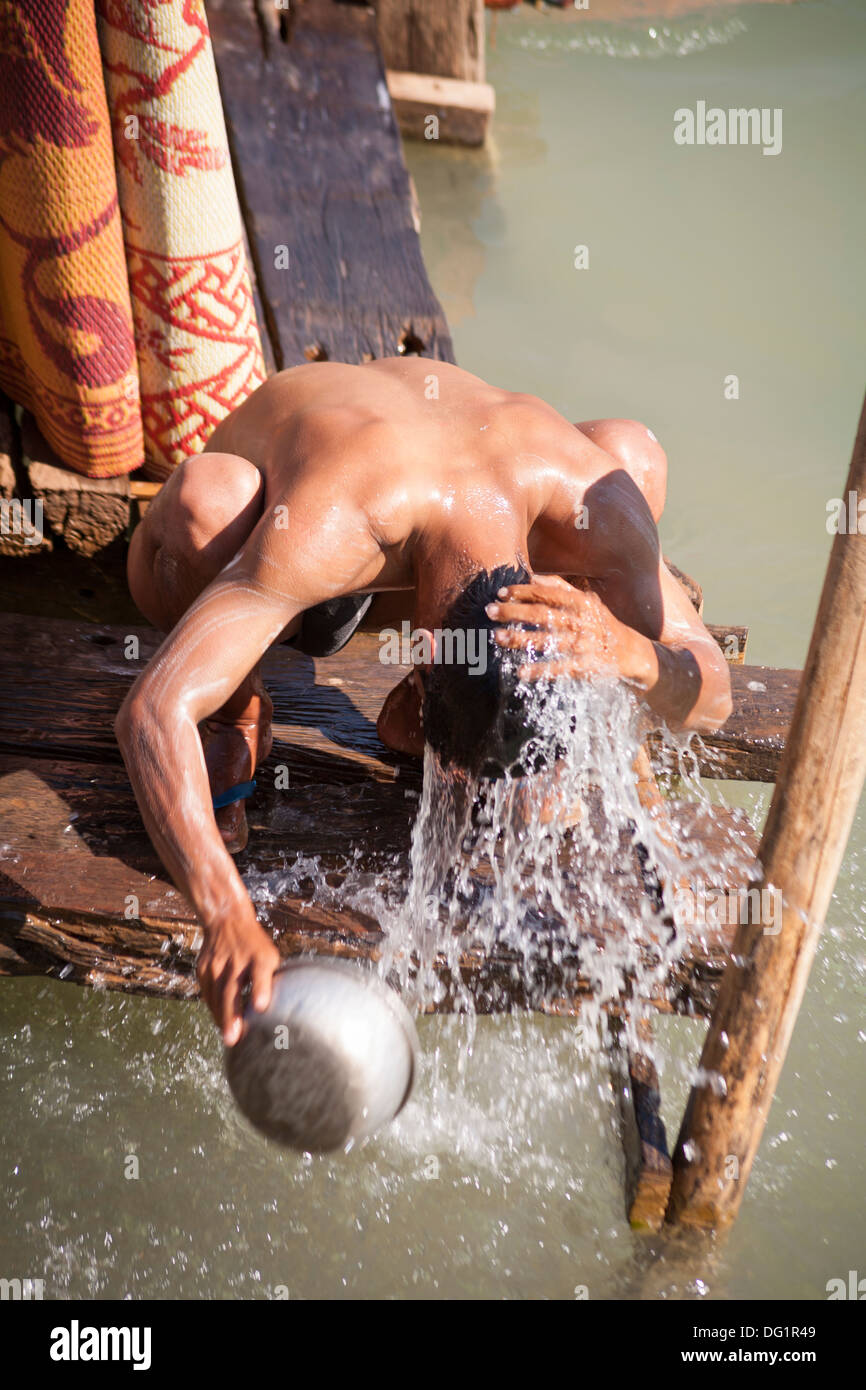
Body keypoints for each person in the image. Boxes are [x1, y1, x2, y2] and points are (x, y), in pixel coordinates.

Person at [116, 357, 732, 1043]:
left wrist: (628, 651)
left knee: (634, 453)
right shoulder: (327, 527)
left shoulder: (591, 502)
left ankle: (488, 709)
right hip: (283, 531)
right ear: (424, 662)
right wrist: (224, 914)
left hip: (436, 519)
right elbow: (150, 709)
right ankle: (234, 706)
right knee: (209, 502)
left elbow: (716, 692)